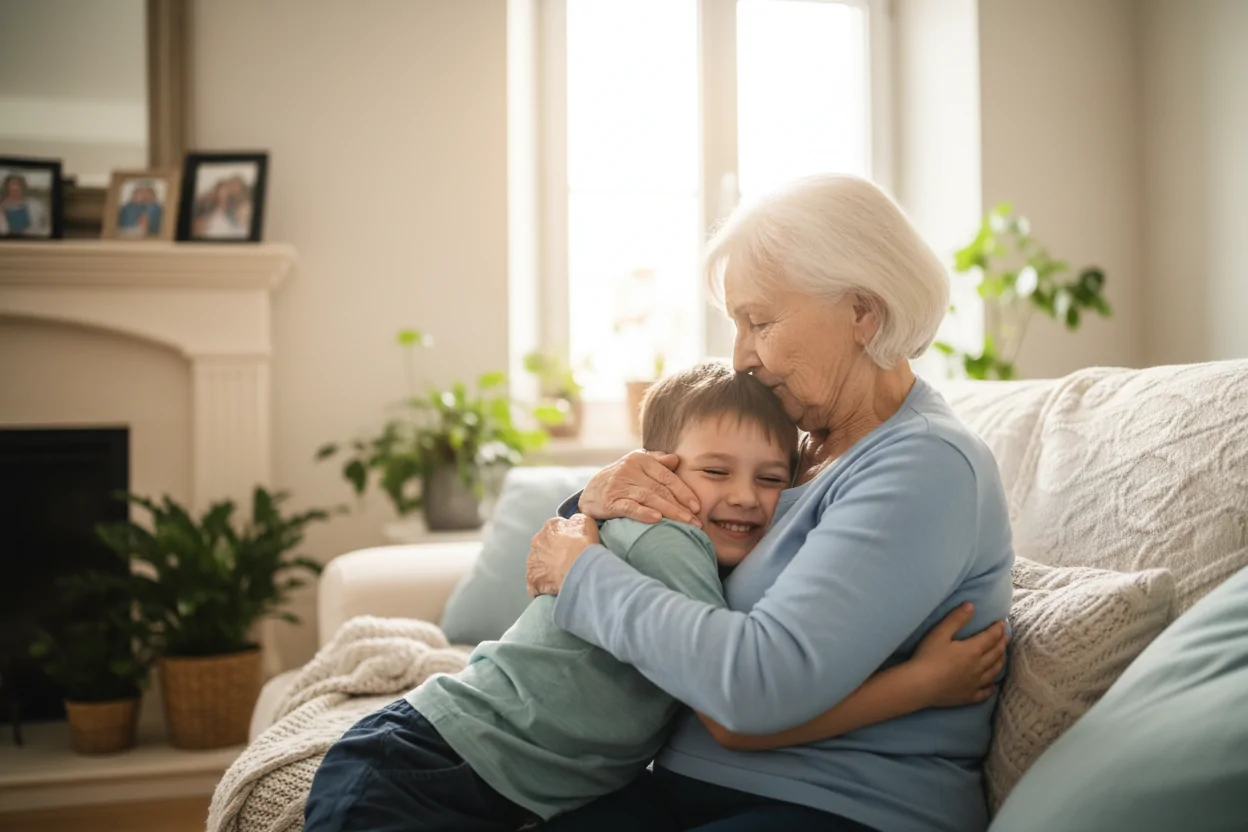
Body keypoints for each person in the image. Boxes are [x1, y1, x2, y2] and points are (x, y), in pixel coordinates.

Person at [304, 362, 1007, 832]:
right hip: (431, 764)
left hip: (477, 772)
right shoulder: (668, 546)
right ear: (657, 471)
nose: (744, 496)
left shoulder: (909, 469)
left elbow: (746, 681)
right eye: (715, 471)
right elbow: (733, 704)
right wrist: (918, 684)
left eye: (770, 479)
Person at [527, 174, 1016, 832]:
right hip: (685, 786)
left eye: (759, 321)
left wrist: (583, 576)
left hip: (834, 807)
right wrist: (596, 497)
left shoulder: (923, 465)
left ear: (862, 313)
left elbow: (755, 689)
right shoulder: (788, 450)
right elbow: (641, 554)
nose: (741, 358)